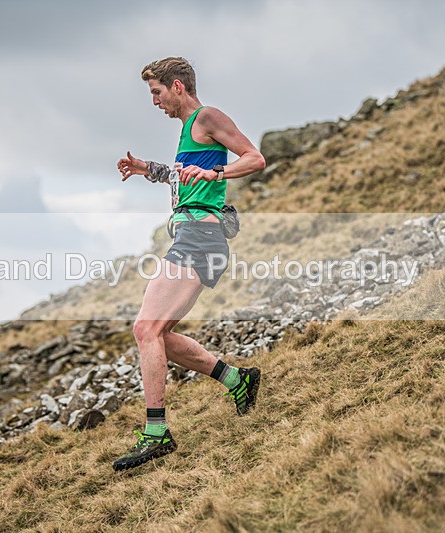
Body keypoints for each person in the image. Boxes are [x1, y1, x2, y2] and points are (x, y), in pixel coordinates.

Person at [112, 57, 266, 471]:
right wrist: (148, 169)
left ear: (177, 87)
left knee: (145, 329)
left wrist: (217, 175)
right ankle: (237, 380)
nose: (155, 101)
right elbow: (186, 176)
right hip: (193, 237)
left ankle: (156, 433)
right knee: (158, 334)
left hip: (201, 238)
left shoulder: (207, 117)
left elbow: (255, 159)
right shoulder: (188, 130)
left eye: (157, 92)